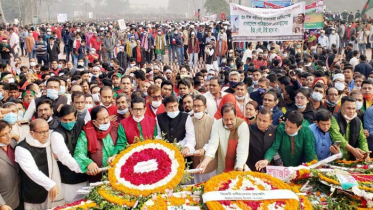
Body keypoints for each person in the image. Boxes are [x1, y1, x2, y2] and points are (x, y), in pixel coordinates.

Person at [15, 119, 64, 210]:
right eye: (41, 132)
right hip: (33, 192)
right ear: (32, 133)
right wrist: (50, 184)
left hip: (51, 190)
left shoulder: (50, 142)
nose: (45, 135)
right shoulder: (22, 148)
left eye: (47, 131)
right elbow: (32, 171)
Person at [74, 106, 126, 182]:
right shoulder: (86, 132)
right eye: (102, 119)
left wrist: (116, 155)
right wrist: (89, 163)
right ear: (94, 122)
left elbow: (122, 144)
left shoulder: (116, 127)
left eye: (107, 117)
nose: (106, 121)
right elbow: (79, 153)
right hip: (97, 175)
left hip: (118, 172)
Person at [197, 103, 250, 174]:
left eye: (231, 119)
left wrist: (239, 168)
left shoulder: (242, 126)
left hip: (239, 166)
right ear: (222, 117)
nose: (229, 122)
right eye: (226, 120)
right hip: (222, 163)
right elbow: (213, 144)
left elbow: (242, 149)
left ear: (235, 116)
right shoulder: (217, 124)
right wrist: (205, 162)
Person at [51, 105, 87, 203]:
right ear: (60, 119)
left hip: (86, 176)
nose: (68, 122)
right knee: (71, 203)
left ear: (76, 117)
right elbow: (64, 157)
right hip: (68, 178)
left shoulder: (81, 123)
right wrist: (84, 168)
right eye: (64, 120)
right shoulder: (56, 134)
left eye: (70, 119)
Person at [329, 96, 369, 161]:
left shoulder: (358, 121)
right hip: (335, 157)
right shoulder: (334, 118)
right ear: (341, 107)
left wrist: (366, 153)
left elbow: (362, 139)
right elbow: (337, 136)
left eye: (354, 108)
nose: (352, 111)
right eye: (348, 108)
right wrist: (353, 150)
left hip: (351, 160)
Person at [190, 95, 217, 183]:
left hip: (210, 164)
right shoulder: (189, 120)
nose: (196, 109)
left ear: (205, 107)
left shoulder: (213, 121)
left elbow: (213, 140)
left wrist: (204, 149)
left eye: (199, 106)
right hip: (194, 162)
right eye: (194, 106)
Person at [0, 120, 20, 210]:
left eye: (9, 132)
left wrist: (16, 136)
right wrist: (1, 204)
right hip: (6, 202)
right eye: (4, 134)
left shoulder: (13, 143)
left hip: (19, 197)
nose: (9, 137)